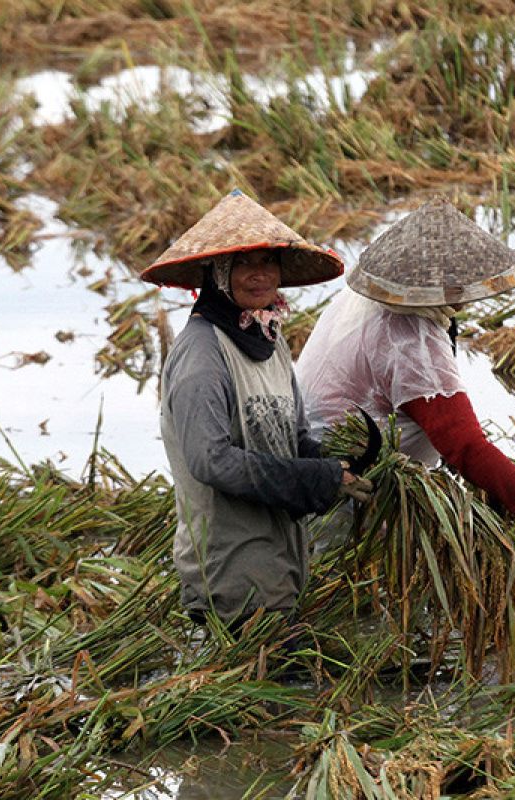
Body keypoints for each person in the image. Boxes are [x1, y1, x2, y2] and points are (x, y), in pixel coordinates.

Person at [296, 200, 515, 556]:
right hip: (349, 505)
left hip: (315, 481)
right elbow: (463, 445)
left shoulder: (362, 298)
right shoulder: (410, 335)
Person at [141, 189, 372, 633]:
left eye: (268, 262)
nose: (260, 274)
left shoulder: (270, 338)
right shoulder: (203, 354)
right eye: (245, 263)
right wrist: (315, 480)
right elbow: (212, 460)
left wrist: (336, 465)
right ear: (218, 273)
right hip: (231, 575)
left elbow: (293, 436)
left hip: (279, 565)